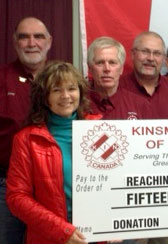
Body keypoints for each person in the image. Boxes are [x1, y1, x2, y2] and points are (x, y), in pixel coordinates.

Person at [6, 61, 102, 243]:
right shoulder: (27, 139)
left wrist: (114, 225)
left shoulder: (102, 130)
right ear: (44, 97)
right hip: (51, 237)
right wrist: (62, 230)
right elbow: (17, 197)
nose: (65, 96)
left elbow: (117, 184)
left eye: (71, 88)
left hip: (97, 237)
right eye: (56, 90)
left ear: (80, 93)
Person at [0, 16, 52, 243]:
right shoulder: (1, 78)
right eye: (24, 37)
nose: (32, 43)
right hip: (6, 186)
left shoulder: (64, 78)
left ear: (49, 41)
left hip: (53, 187)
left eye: (38, 36)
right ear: (15, 42)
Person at [121, 31, 168, 119]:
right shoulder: (115, 89)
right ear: (133, 54)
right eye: (145, 51)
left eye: (157, 53)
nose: (151, 58)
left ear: (163, 58)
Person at [87, 36, 152, 119]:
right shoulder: (78, 103)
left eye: (112, 62)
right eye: (100, 63)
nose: (107, 69)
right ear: (90, 68)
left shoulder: (140, 105)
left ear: (121, 69)